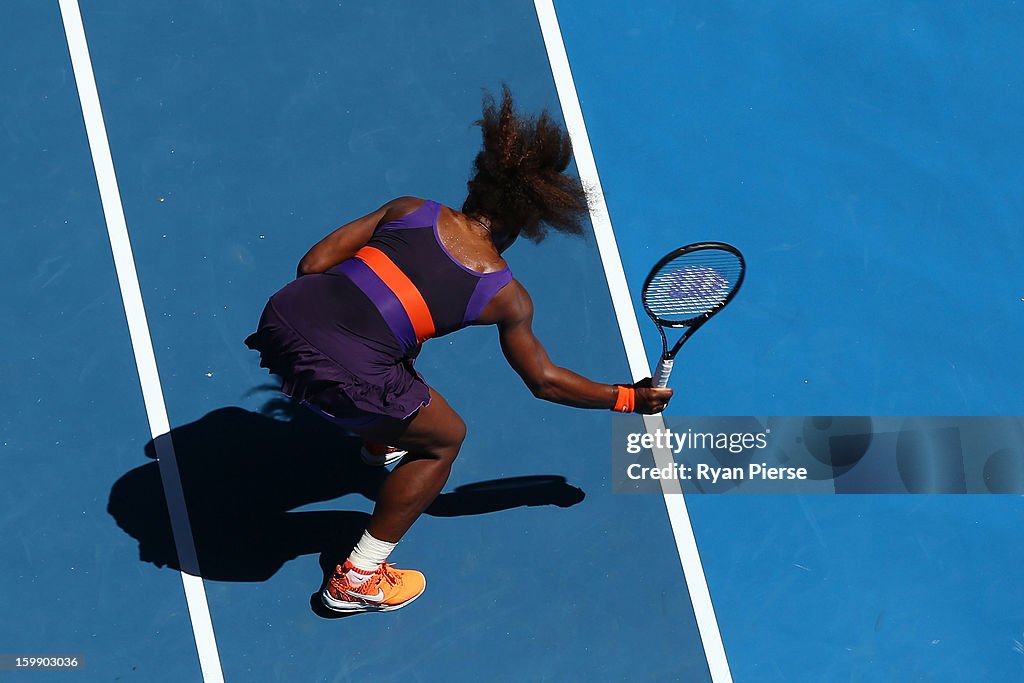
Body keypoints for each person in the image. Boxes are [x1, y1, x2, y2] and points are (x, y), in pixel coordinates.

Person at [245, 87, 673, 615]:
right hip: (348, 369)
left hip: (282, 319)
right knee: (444, 440)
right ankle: (357, 578)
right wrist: (627, 399)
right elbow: (544, 380)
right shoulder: (504, 294)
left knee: (395, 363)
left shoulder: (409, 209)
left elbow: (312, 266)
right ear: (530, 219)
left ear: (478, 182)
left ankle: (378, 441)